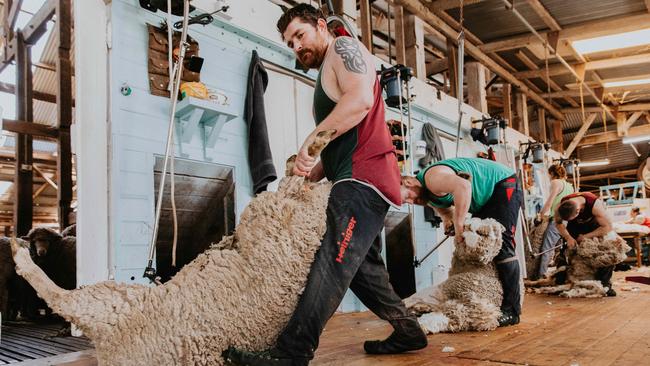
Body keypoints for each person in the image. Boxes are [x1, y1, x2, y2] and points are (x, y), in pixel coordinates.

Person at [224, 5, 427, 366]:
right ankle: (408, 331)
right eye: (290, 43)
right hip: (353, 175)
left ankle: (292, 353)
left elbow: (361, 102)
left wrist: (311, 141)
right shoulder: (330, 66)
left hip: (363, 179)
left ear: (322, 25)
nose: (296, 46)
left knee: (332, 260)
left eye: (300, 35)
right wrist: (314, 170)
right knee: (364, 273)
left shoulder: (343, 49)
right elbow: (344, 135)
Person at [401, 157, 523, 327]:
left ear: (408, 182)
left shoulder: (431, 178)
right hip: (487, 197)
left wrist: (459, 224)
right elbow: (445, 210)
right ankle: (493, 301)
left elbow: (463, 186)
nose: (411, 202)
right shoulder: (427, 196)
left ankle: (512, 311)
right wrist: (449, 221)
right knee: (483, 248)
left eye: (407, 196)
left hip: (502, 183)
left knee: (501, 245)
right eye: (406, 202)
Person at [555, 192, 616, 296]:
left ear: (578, 211)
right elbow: (558, 223)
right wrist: (568, 238)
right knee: (566, 251)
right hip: (573, 228)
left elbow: (607, 227)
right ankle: (561, 282)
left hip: (595, 228)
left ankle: (605, 285)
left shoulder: (595, 205)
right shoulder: (560, 206)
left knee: (605, 254)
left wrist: (586, 236)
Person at [532, 165, 574, 279]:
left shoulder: (555, 182)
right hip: (568, 220)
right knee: (559, 249)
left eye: (549, 174)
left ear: (551, 173)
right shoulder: (569, 186)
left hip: (558, 219)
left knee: (546, 248)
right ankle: (560, 274)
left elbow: (550, 202)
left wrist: (540, 215)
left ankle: (540, 276)